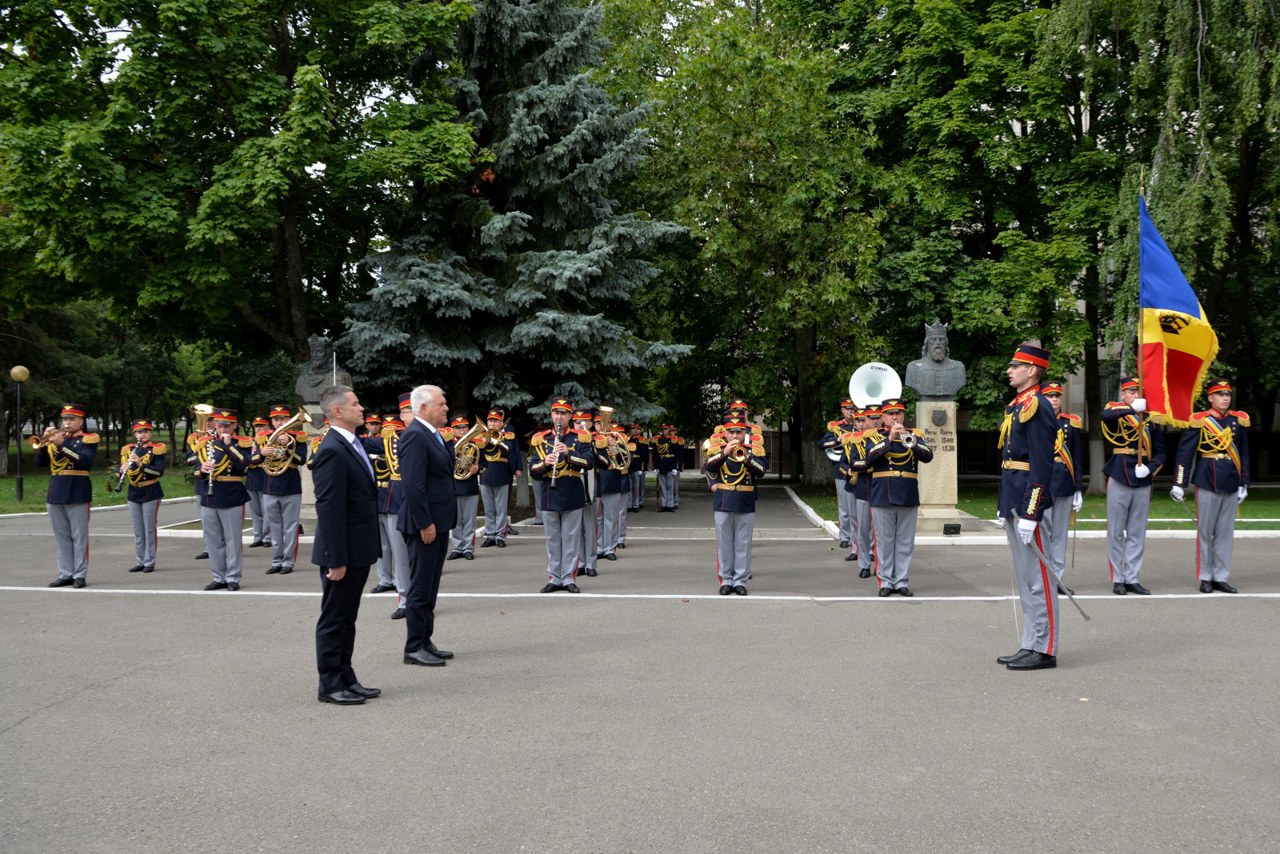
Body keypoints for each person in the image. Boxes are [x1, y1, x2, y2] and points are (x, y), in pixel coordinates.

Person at [311, 384, 381, 705]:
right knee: (334, 619)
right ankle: (329, 684)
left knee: (347, 619)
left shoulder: (350, 443)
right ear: (337, 411)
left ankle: (346, 677)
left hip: (357, 548)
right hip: (342, 553)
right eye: (354, 404)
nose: (361, 408)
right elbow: (329, 508)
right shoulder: (331, 449)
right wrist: (335, 558)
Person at [996, 343, 1059, 671]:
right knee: (1025, 578)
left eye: (1016, 366)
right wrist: (1004, 506)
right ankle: (1030, 643)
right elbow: (1010, 462)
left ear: (1031, 370)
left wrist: (1032, 512)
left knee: (1039, 578)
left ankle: (1045, 647)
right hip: (1015, 500)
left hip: (1028, 503)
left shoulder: (1037, 405)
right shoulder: (1019, 404)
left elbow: (1041, 463)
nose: (1010, 370)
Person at [396, 384, 457, 666]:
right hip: (425, 524)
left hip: (438, 521)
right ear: (423, 407)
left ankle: (424, 639)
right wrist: (425, 523)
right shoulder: (414, 436)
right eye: (441, 404)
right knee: (420, 587)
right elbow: (413, 485)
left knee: (430, 585)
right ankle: (413, 646)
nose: (446, 408)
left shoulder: (431, 434)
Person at [1171, 378, 1250, 594]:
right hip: (1207, 479)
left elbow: (1243, 454)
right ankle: (1206, 576)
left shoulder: (1237, 420)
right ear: (1210, 398)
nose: (1225, 398)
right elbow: (1185, 453)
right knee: (1205, 532)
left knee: (1225, 533)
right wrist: (1179, 482)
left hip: (1231, 480)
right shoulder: (1200, 420)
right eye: (1220, 395)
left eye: (1227, 395)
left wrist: (1244, 482)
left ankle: (1221, 576)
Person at [1101, 377, 1166, 595]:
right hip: (1120, 474)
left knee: (1137, 532)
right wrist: (1130, 410)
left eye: (1138, 392)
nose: (1136, 395)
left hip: (1142, 477)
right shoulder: (1117, 411)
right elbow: (1105, 416)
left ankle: (1132, 577)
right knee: (1116, 531)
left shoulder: (1151, 419)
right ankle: (1118, 578)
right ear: (1123, 395)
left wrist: (1151, 468)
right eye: (1131, 392)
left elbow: (1161, 451)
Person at [864, 398, 933, 596]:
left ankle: (901, 581)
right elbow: (869, 457)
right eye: (891, 414)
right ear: (884, 417)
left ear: (903, 415)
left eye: (898, 413)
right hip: (882, 495)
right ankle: (885, 582)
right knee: (884, 542)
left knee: (905, 542)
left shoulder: (913, 436)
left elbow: (928, 456)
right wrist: (889, 439)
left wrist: (910, 443)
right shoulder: (874, 437)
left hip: (908, 495)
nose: (895, 417)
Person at [530, 398, 595, 592]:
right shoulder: (541, 439)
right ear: (551, 415)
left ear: (570, 416)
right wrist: (545, 463)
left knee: (571, 538)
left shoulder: (580, 437)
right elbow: (533, 470)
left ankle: (568, 578)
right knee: (553, 540)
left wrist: (568, 453)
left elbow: (589, 462)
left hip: (571, 492)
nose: (559, 417)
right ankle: (554, 577)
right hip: (549, 493)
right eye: (556, 413)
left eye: (563, 413)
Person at [189, 407, 252, 591]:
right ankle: (218, 576)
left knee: (232, 540)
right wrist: (201, 470)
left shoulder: (242, 443)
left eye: (226, 426)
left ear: (234, 426)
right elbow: (195, 468)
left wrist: (228, 446)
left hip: (231, 494)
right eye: (219, 425)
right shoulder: (204, 443)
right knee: (214, 540)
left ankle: (233, 577)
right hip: (209, 495)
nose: (222, 429)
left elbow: (244, 466)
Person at [37, 403, 99, 588]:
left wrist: (62, 445)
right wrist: (43, 442)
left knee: (79, 536)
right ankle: (65, 573)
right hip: (56, 491)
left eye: (71, 419)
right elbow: (40, 462)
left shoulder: (88, 439)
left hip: (77, 490)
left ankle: (80, 574)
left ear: (81, 420)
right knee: (61, 536)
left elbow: (83, 461)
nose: (67, 422)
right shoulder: (55, 439)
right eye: (65, 419)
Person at [704, 417, 768, 595]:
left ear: (744, 433)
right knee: (724, 543)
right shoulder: (718, 449)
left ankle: (741, 581)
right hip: (723, 499)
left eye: (738, 432)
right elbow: (708, 466)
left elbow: (762, 471)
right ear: (725, 433)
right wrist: (725, 453)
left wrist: (747, 459)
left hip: (745, 499)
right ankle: (726, 580)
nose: (734, 435)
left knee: (743, 543)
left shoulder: (753, 450)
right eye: (731, 431)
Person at [1038, 383, 1084, 595]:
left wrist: (1078, 488)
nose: (1054, 400)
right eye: (1049, 396)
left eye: (1057, 396)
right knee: (1044, 533)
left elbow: (1077, 458)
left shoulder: (1070, 423)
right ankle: (1044, 579)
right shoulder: (1036, 420)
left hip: (1064, 483)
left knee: (1059, 535)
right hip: (1044, 484)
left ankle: (1058, 580)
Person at [364, 403, 408, 614]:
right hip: (378, 498)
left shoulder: (404, 442)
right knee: (382, 545)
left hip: (397, 501)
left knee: (400, 550)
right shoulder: (373, 442)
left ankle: (404, 596)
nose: (391, 434)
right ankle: (385, 579)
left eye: (395, 430)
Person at [260, 404, 308, 576]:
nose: (279, 422)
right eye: (276, 419)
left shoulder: (298, 437)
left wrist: (288, 446)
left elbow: (302, 460)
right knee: (274, 528)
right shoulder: (263, 438)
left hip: (290, 488)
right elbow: (252, 461)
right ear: (271, 421)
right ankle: (276, 560)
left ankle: (288, 562)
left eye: (283, 418)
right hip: (269, 487)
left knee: (290, 527)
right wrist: (261, 453)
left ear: (289, 419)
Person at [120, 419, 166, 574]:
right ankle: (140, 560)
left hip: (151, 491)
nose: (143, 434)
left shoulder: (156, 449)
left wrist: (141, 465)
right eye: (139, 432)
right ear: (134, 434)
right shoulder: (129, 450)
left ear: (150, 433)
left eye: (146, 431)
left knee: (149, 529)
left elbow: (159, 471)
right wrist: (120, 470)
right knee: (138, 530)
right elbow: (120, 471)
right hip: (134, 492)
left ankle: (149, 561)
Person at [478, 408, 523, 549]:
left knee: (501, 508)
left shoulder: (508, 435)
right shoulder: (482, 435)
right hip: (486, 472)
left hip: (503, 472)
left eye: (495, 421)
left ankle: (500, 536)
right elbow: (478, 452)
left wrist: (518, 467)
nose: (492, 424)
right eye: (490, 421)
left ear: (501, 422)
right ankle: (490, 535)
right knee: (489, 508)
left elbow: (512, 450)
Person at [819, 399, 859, 549]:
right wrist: (837, 440)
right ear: (842, 410)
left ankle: (857, 537)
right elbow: (821, 444)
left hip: (859, 469)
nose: (851, 411)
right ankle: (845, 536)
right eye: (847, 408)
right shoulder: (836, 427)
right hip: (841, 470)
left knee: (858, 506)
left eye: (853, 408)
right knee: (844, 506)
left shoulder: (862, 424)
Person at [448, 416, 482, 561]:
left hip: (469, 486)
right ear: (452, 429)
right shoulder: (447, 445)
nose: (461, 430)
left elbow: (485, 463)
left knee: (469, 520)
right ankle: (457, 548)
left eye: (464, 427)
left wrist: (477, 468)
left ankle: (468, 548)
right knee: (455, 520)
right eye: (458, 427)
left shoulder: (475, 445)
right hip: (453, 487)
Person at [574, 410, 602, 578]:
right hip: (573, 487)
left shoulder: (597, 440)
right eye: (577, 422)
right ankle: (580, 562)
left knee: (590, 528)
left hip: (590, 487)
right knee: (576, 529)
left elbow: (603, 463)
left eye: (584, 422)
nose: (581, 425)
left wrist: (595, 447)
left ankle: (591, 563)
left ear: (591, 424)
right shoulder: (569, 440)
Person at [851, 405, 877, 578]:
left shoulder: (886, 437)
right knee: (863, 529)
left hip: (882, 489)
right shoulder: (857, 440)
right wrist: (869, 465)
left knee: (882, 532)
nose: (874, 421)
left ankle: (881, 565)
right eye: (870, 418)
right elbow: (853, 462)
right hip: (864, 488)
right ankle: (864, 565)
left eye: (877, 417)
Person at [246, 416, 271, 548]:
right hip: (251, 477)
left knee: (266, 509)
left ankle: (267, 537)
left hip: (264, 476)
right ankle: (258, 536)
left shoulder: (269, 441)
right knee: (255, 511)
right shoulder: (249, 441)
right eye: (256, 426)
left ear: (268, 427)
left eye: (262, 425)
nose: (259, 428)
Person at [654, 424, 681, 511]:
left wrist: (675, 467)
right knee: (663, 487)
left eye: (666, 429)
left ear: (669, 430)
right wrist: (655, 467)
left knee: (670, 486)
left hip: (670, 464)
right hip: (661, 464)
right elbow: (655, 455)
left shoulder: (673, 440)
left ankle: (670, 505)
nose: (664, 430)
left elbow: (677, 455)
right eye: (662, 429)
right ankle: (663, 504)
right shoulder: (658, 440)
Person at [627, 423, 650, 513]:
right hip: (629, 465)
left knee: (636, 487)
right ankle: (629, 505)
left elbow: (644, 455)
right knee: (629, 486)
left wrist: (642, 468)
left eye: (636, 428)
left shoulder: (642, 440)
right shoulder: (627, 439)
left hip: (637, 465)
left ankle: (636, 504)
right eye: (632, 428)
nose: (634, 430)